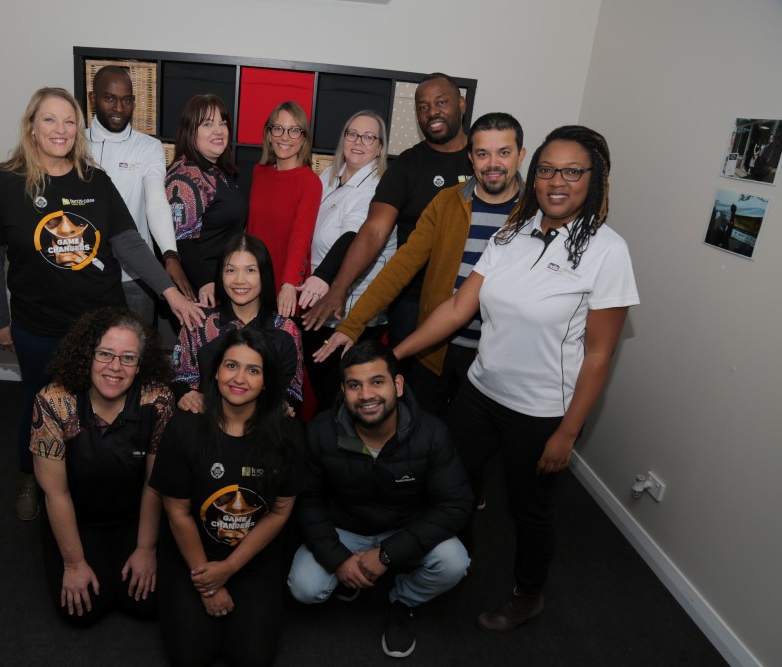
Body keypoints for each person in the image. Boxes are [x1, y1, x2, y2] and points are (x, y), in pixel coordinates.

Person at [394, 126, 639, 631]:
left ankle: (528, 594)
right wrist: (394, 355)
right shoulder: (513, 230)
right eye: (547, 169)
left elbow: (599, 354)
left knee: (530, 511)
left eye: (573, 172)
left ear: (594, 180)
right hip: (480, 392)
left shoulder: (608, 251)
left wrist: (567, 433)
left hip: (540, 411)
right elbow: (460, 307)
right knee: (453, 485)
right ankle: (452, 561)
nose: (556, 181)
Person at [0, 87, 202, 521]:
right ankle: (31, 476)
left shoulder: (95, 182)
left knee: (98, 408)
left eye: (69, 120)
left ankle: (83, 479)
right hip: (38, 324)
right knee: (39, 404)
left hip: (98, 324)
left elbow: (130, 244)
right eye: (50, 120)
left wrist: (170, 292)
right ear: (32, 127)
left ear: (79, 129)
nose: (61, 129)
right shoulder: (2, 182)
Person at [314, 113, 527, 417]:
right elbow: (401, 267)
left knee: (476, 449)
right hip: (435, 350)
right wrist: (353, 324)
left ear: (520, 155)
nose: (493, 163)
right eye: (483, 153)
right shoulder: (446, 203)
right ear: (471, 157)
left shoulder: (535, 213)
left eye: (503, 152)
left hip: (497, 360)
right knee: (424, 435)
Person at [288, 340, 472, 659]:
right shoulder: (320, 431)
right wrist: (337, 558)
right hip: (343, 527)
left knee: (454, 562)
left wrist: (387, 555)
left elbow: (455, 507)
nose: (366, 395)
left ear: (397, 385)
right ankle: (350, 574)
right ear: (343, 391)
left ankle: (403, 600)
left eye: (377, 382)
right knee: (305, 588)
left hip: (404, 528)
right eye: (354, 385)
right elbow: (307, 500)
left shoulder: (432, 433)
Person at [151, 328, 302, 667]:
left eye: (253, 370)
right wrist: (208, 583)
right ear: (216, 371)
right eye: (231, 366)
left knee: (250, 658)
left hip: (253, 560)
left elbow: (280, 511)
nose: (239, 378)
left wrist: (230, 568)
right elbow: (177, 512)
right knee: (191, 656)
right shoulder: (184, 428)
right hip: (193, 557)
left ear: (267, 381)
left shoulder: (287, 433)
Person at [303, 73, 473, 352]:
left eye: (441, 102)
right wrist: (339, 286)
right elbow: (374, 230)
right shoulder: (407, 165)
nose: (432, 112)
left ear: (462, 104)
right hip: (410, 301)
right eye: (423, 106)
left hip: (469, 298)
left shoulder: (481, 160)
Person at [30, 307, 172, 625]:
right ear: (87, 355)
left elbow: (154, 484)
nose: (115, 367)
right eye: (105, 354)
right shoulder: (53, 402)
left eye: (128, 358)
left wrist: (147, 549)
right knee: (83, 611)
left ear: (141, 364)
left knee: (145, 604)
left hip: (133, 514)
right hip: (76, 514)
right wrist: (74, 563)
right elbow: (56, 493)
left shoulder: (157, 400)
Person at [297, 110, 393, 411]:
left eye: (368, 137)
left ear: (380, 147)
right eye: (351, 134)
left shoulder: (376, 188)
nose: (358, 142)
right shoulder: (330, 175)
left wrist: (322, 277)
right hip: (318, 308)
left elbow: (354, 237)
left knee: (346, 403)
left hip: (349, 316)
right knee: (327, 399)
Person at [86, 66, 196, 323]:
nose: (118, 108)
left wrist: (170, 254)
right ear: (93, 99)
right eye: (109, 98)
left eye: (126, 100)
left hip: (135, 276)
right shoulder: (74, 144)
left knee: (140, 355)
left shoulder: (148, 147)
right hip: (85, 274)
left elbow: (156, 201)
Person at [171, 233, 303, 414]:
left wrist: (283, 405)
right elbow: (181, 378)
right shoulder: (199, 322)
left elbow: (292, 390)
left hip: (263, 427)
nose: (239, 280)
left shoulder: (286, 330)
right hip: (206, 423)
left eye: (250, 270)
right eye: (231, 270)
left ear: (264, 275)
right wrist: (187, 395)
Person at [165, 94, 248, 306]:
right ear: (191, 130)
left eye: (222, 123)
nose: (219, 131)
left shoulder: (217, 170)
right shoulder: (186, 175)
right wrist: (205, 282)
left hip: (221, 284)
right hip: (200, 292)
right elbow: (181, 239)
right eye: (208, 124)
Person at [246, 100, 323, 318]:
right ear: (269, 134)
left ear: (304, 138)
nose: (285, 137)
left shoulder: (309, 182)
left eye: (294, 130)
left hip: (285, 287)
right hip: (252, 281)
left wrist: (288, 284)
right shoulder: (259, 172)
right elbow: (252, 229)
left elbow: (301, 237)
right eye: (278, 128)